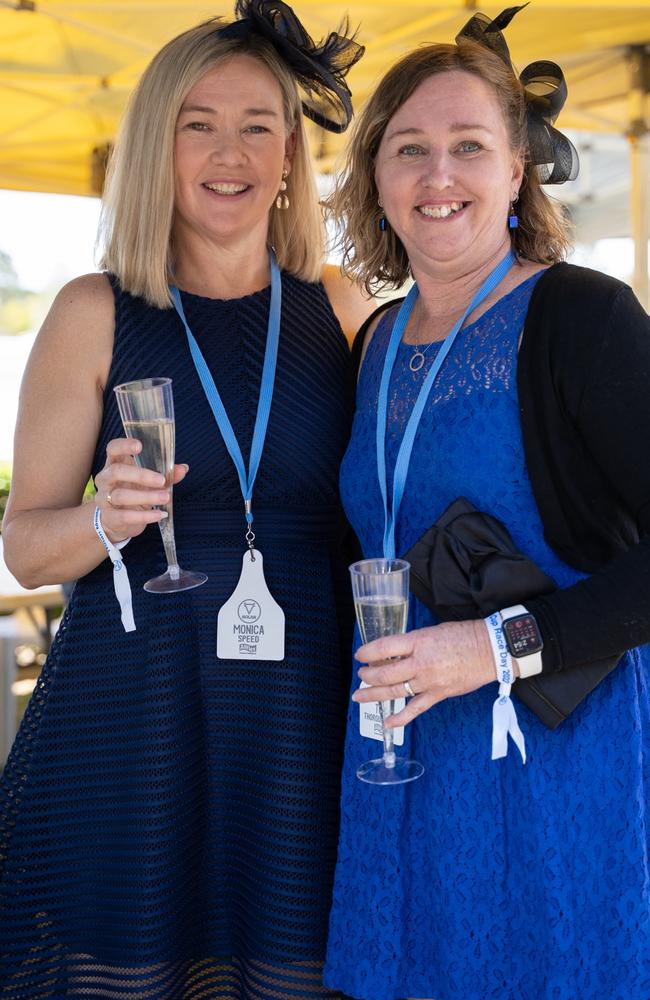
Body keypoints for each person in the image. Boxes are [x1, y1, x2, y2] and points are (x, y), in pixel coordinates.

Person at [0, 3, 369, 997]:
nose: (229, 150)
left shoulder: (340, 311)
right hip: (130, 721)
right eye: (197, 122)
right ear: (155, 147)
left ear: (290, 155)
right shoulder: (92, 311)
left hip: (300, 724)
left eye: (258, 123)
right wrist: (98, 519)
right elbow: (26, 550)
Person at [323, 8, 650, 1000]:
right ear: (374, 178)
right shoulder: (372, 337)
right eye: (407, 149)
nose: (436, 177)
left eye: (468, 147)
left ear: (517, 171)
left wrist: (489, 647)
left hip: (548, 745)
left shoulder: (580, 316)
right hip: (397, 745)